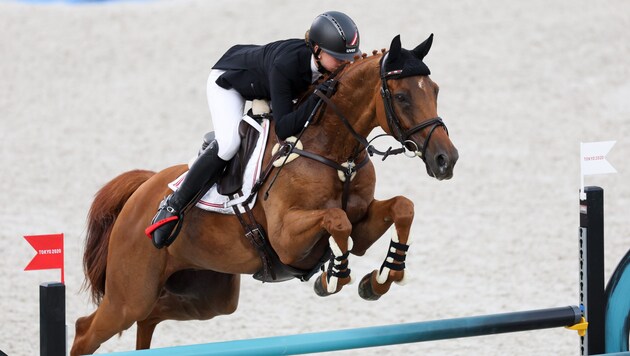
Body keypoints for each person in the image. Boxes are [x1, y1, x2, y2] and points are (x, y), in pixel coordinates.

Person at [146, 11, 362, 248]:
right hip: (229, 82)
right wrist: (320, 94)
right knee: (229, 144)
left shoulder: (330, 63)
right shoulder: (286, 66)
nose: (346, 65)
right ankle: (172, 206)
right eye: (340, 60)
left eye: (349, 59)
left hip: (265, 80)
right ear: (317, 50)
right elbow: (285, 127)